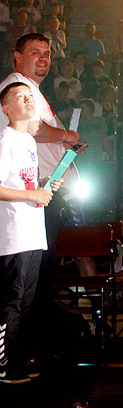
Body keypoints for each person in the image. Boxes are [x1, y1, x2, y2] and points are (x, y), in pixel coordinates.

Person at [0, 82, 62, 384]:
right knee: (11, 303)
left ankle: (17, 360)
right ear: (6, 108)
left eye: (29, 96)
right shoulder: (6, 140)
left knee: (25, 301)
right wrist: (33, 196)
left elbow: (26, 185)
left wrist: (46, 184)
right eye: (19, 97)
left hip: (33, 233)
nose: (27, 100)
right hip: (13, 236)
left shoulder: (27, 142)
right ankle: (4, 366)